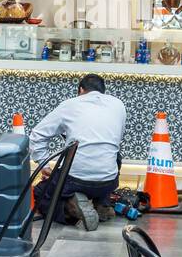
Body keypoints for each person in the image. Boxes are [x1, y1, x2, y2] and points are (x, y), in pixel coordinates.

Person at [29, 74, 127, 231]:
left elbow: (37, 135)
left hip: (75, 181)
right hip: (109, 181)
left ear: (81, 90)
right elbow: (116, 140)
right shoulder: (118, 105)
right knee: (116, 156)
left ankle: (71, 207)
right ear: (103, 91)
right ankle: (102, 202)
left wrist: (44, 165)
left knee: (41, 191)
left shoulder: (70, 105)